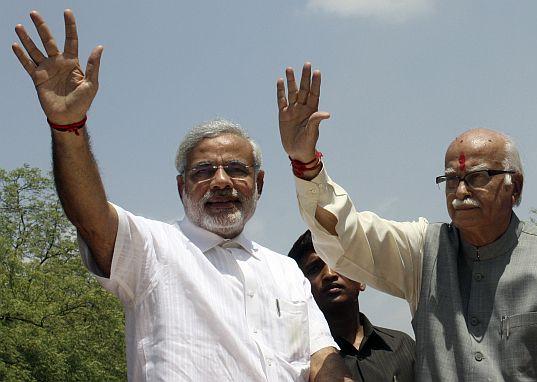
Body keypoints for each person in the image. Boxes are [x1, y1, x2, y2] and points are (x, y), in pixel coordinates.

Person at [11, 10, 355, 381]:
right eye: (204, 172)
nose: (221, 181)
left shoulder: (286, 271)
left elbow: (320, 355)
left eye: (237, 169)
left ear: (259, 185)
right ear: (181, 188)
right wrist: (67, 126)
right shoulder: (152, 249)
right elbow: (90, 216)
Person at [276, 63, 537, 381]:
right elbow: (345, 236)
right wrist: (305, 161)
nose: (460, 192)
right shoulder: (423, 252)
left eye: (477, 177)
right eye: (451, 180)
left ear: (514, 187)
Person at [289, 230, 415, 382]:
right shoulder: (299, 364)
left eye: (339, 263)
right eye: (315, 268)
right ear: (300, 289)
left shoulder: (402, 345)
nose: (329, 274)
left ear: (361, 279)